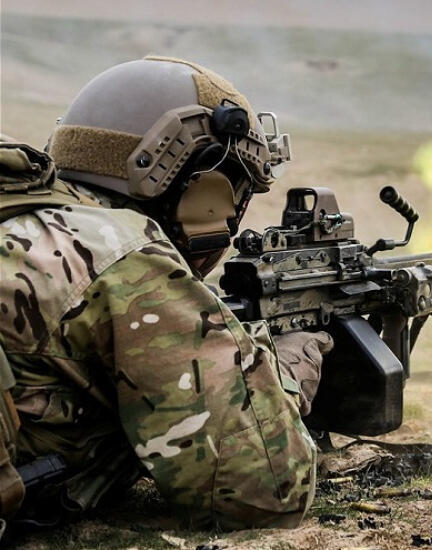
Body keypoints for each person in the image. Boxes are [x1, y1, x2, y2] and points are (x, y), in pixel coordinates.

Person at [0, 57, 332, 531]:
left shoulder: (19, 213)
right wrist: (284, 372)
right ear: (199, 184)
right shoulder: (119, 252)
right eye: (232, 190)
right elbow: (264, 491)